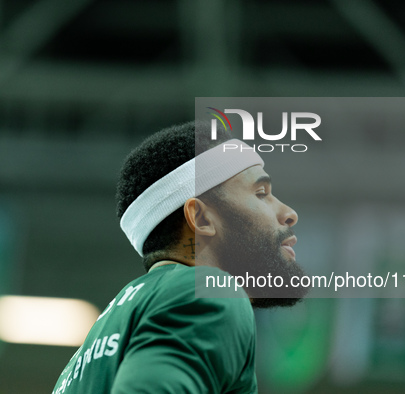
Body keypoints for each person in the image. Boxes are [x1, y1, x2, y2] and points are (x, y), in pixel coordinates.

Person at [52, 121, 305, 393]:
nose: (289, 213)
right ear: (200, 218)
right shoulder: (207, 294)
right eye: (261, 193)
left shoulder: (99, 337)